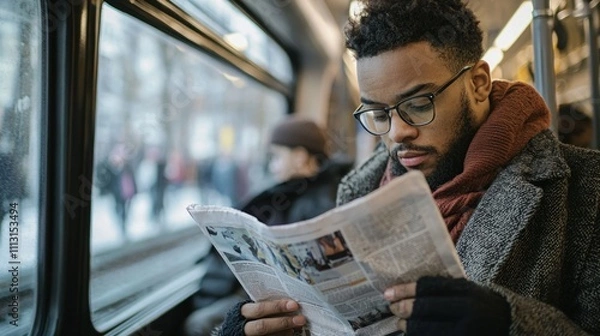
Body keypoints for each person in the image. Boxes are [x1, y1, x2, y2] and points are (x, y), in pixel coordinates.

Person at [215, 1, 600, 335]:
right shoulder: (358, 191)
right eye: (378, 112)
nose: (398, 133)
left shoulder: (586, 189)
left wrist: (510, 323)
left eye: (418, 104)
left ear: (479, 84)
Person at [182, 117, 353, 336]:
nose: (272, 166)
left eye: (276, 157)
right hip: (263, 290)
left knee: (198, 325)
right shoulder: (290, 192)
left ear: (300, 157)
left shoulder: (322, 200)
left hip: (290, 301)